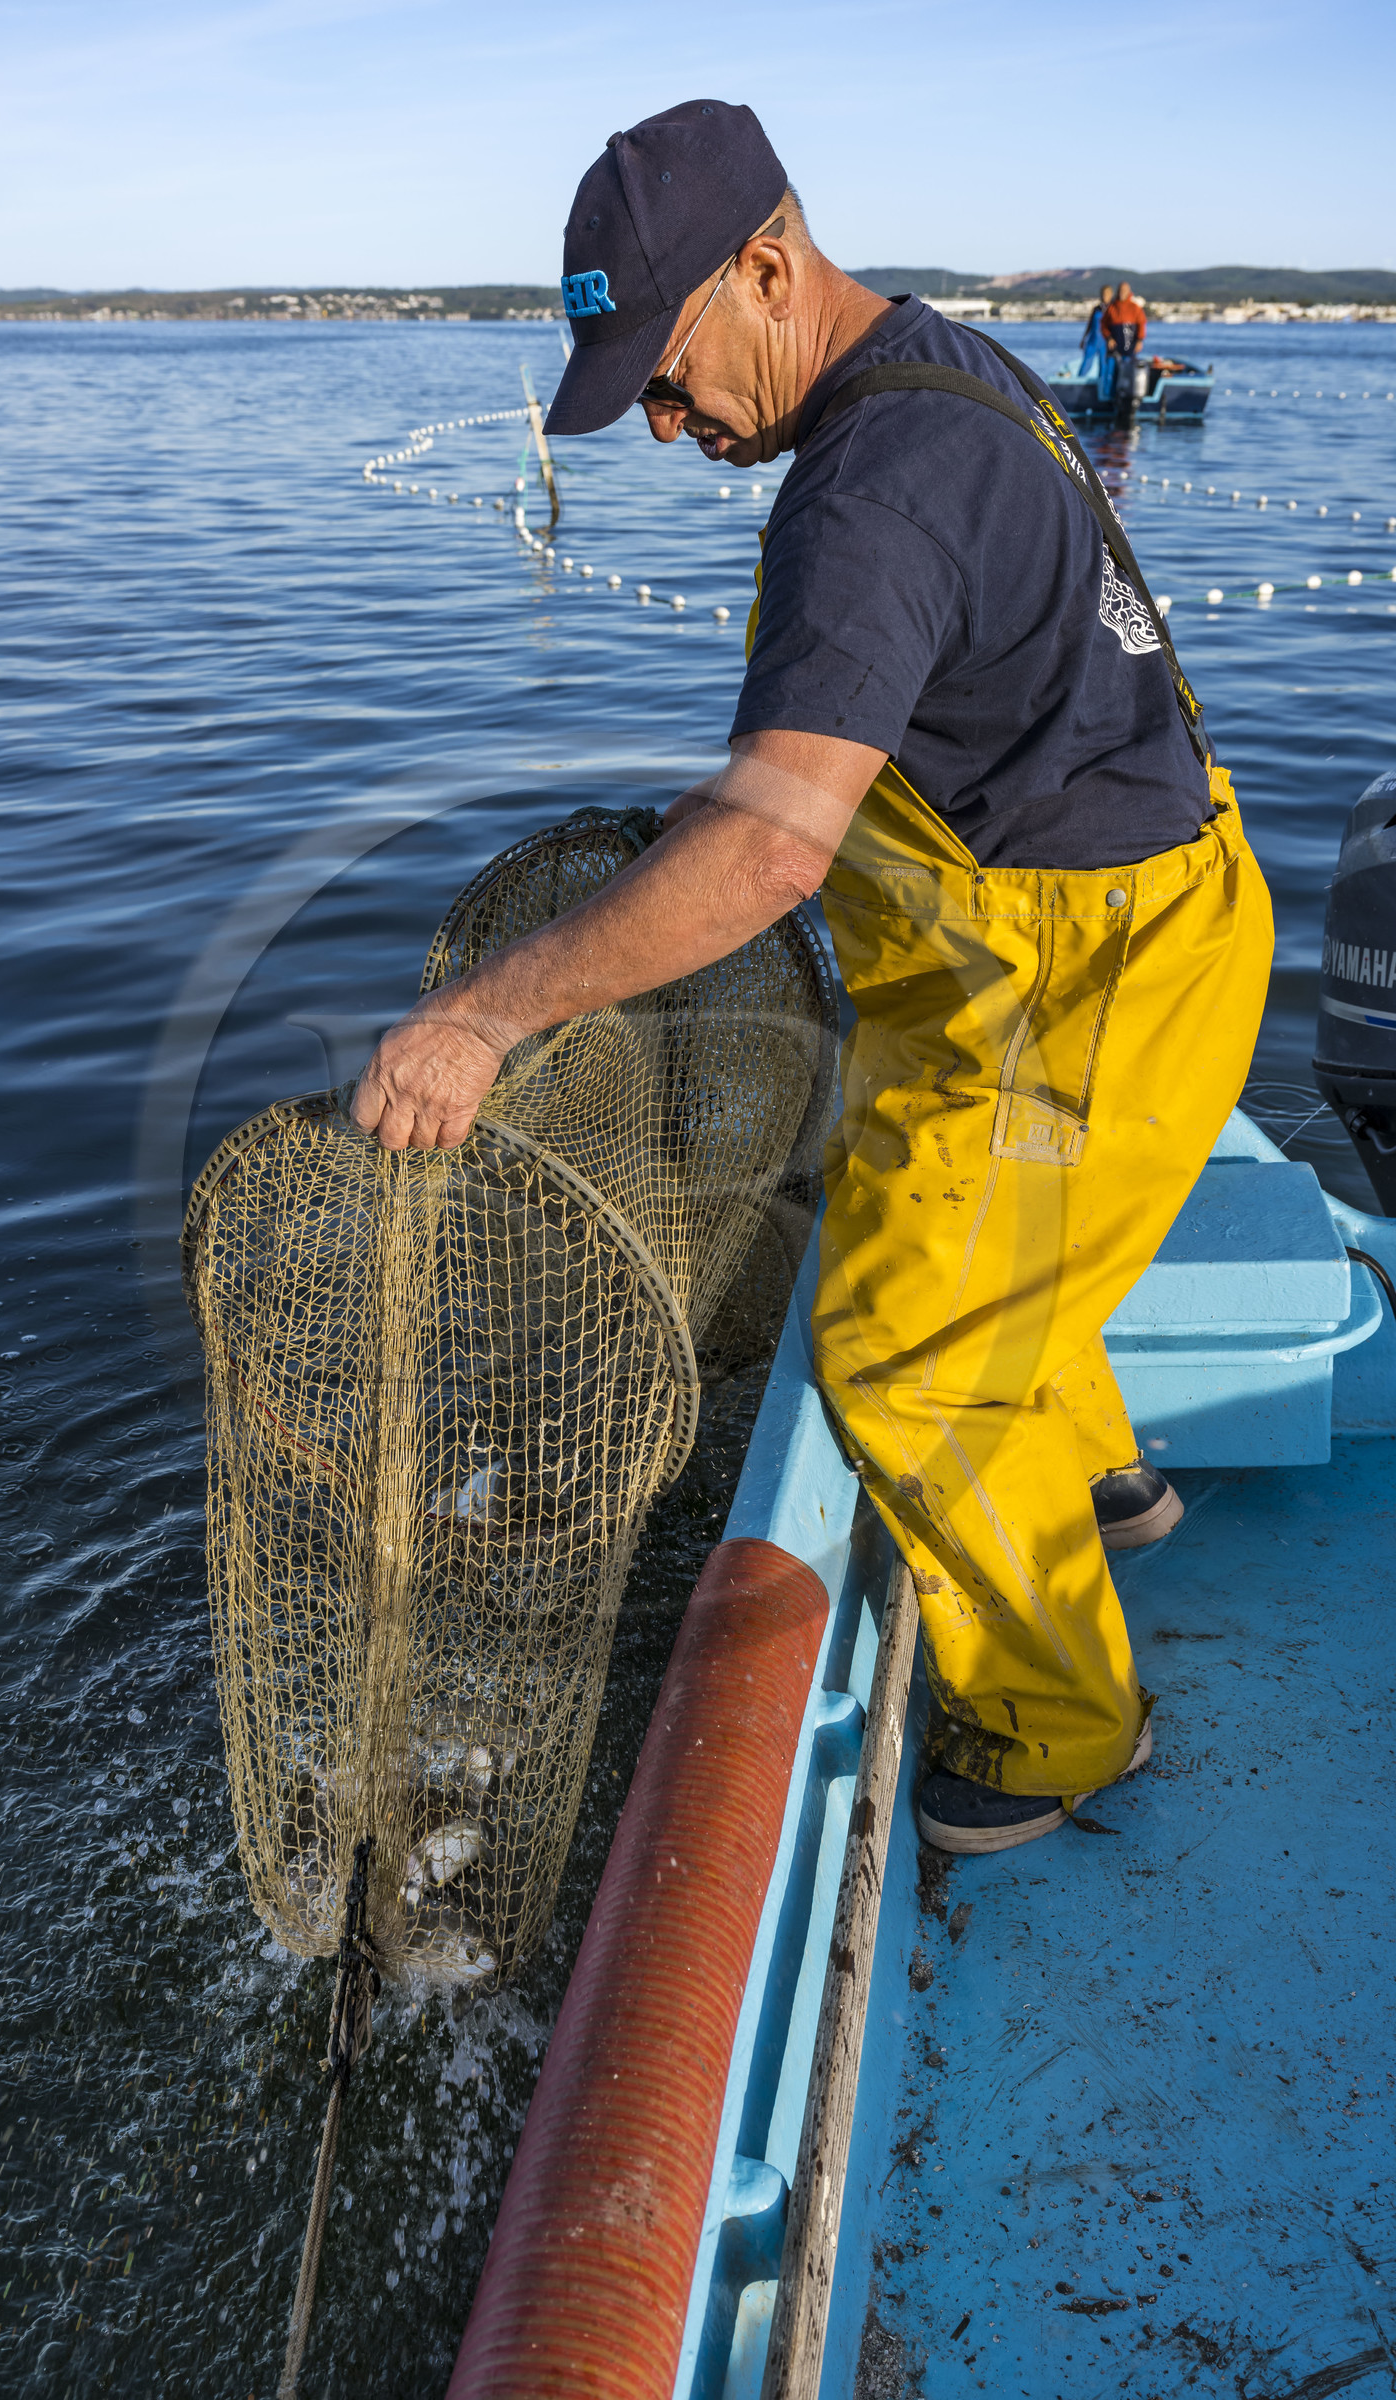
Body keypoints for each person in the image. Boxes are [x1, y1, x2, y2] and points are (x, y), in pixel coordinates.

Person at [350, 100, 1273, 1855]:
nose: (670, 426)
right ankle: (1107, 1486)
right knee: (973, 1238)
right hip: (1156, 902)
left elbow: (773, 849)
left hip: (1073, 977)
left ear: (770, 262)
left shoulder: (862, 505)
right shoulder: (935, 367)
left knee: (899, 1352)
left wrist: (482, 1013)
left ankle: (1066, 1726)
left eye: (674, 375)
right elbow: (828, 772)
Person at [1079, 280, 1114, 399]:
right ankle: (1077, 386)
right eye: (1103, 294)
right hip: (1093, 340)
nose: (1105, 296)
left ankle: (1102, 392)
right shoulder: (1096, 309)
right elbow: (1089, 325)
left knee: (1103, 366)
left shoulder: (1112, 309)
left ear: (1111, 295)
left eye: (1107, 294)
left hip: (1105, 341)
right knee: (1086, 363)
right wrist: (1083, 339)